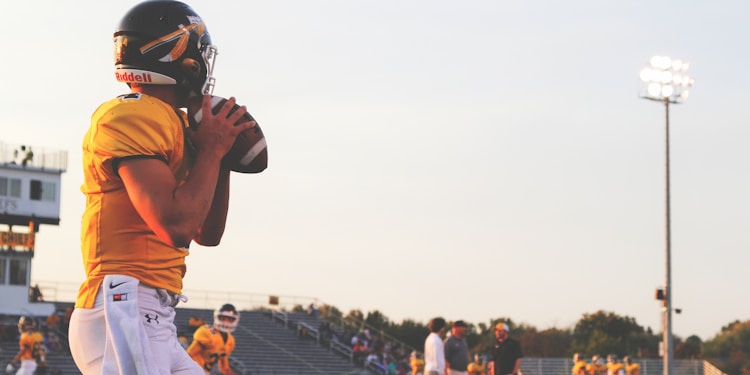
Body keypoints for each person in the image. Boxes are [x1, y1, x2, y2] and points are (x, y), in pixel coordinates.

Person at [67, 1, 257, 374]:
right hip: (123, 303)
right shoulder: (134, 114)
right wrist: (214, 148)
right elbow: (175, 225)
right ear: (181, 55)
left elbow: (206, 232)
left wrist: (219, 156)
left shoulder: (173, 124)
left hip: (153, 312)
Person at [186, 304, 239, 375]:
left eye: (229, 319)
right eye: (223, 318)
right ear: (217, 317)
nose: (226, 322)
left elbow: (224, 368)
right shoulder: (208, 333)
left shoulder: (230, 340)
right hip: (192, 370)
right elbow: (188, 355)